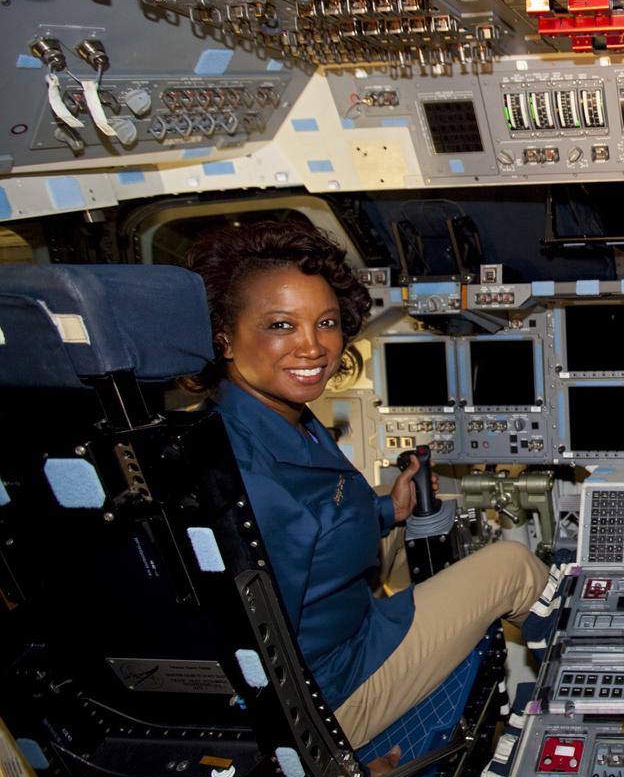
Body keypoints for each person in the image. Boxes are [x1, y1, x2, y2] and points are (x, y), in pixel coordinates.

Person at [187, 219, 548, 750]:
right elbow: (252, 655)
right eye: (281, 325)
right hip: (330, 691)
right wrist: (331, 767)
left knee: (419, 536)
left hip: (340, 624)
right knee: (513, 567)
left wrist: (387, 512)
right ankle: (583, 690)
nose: (312, 348)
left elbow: (321, 520)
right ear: (223, 334)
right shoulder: (245, 476)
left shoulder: (272, 418)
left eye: (326, 322)